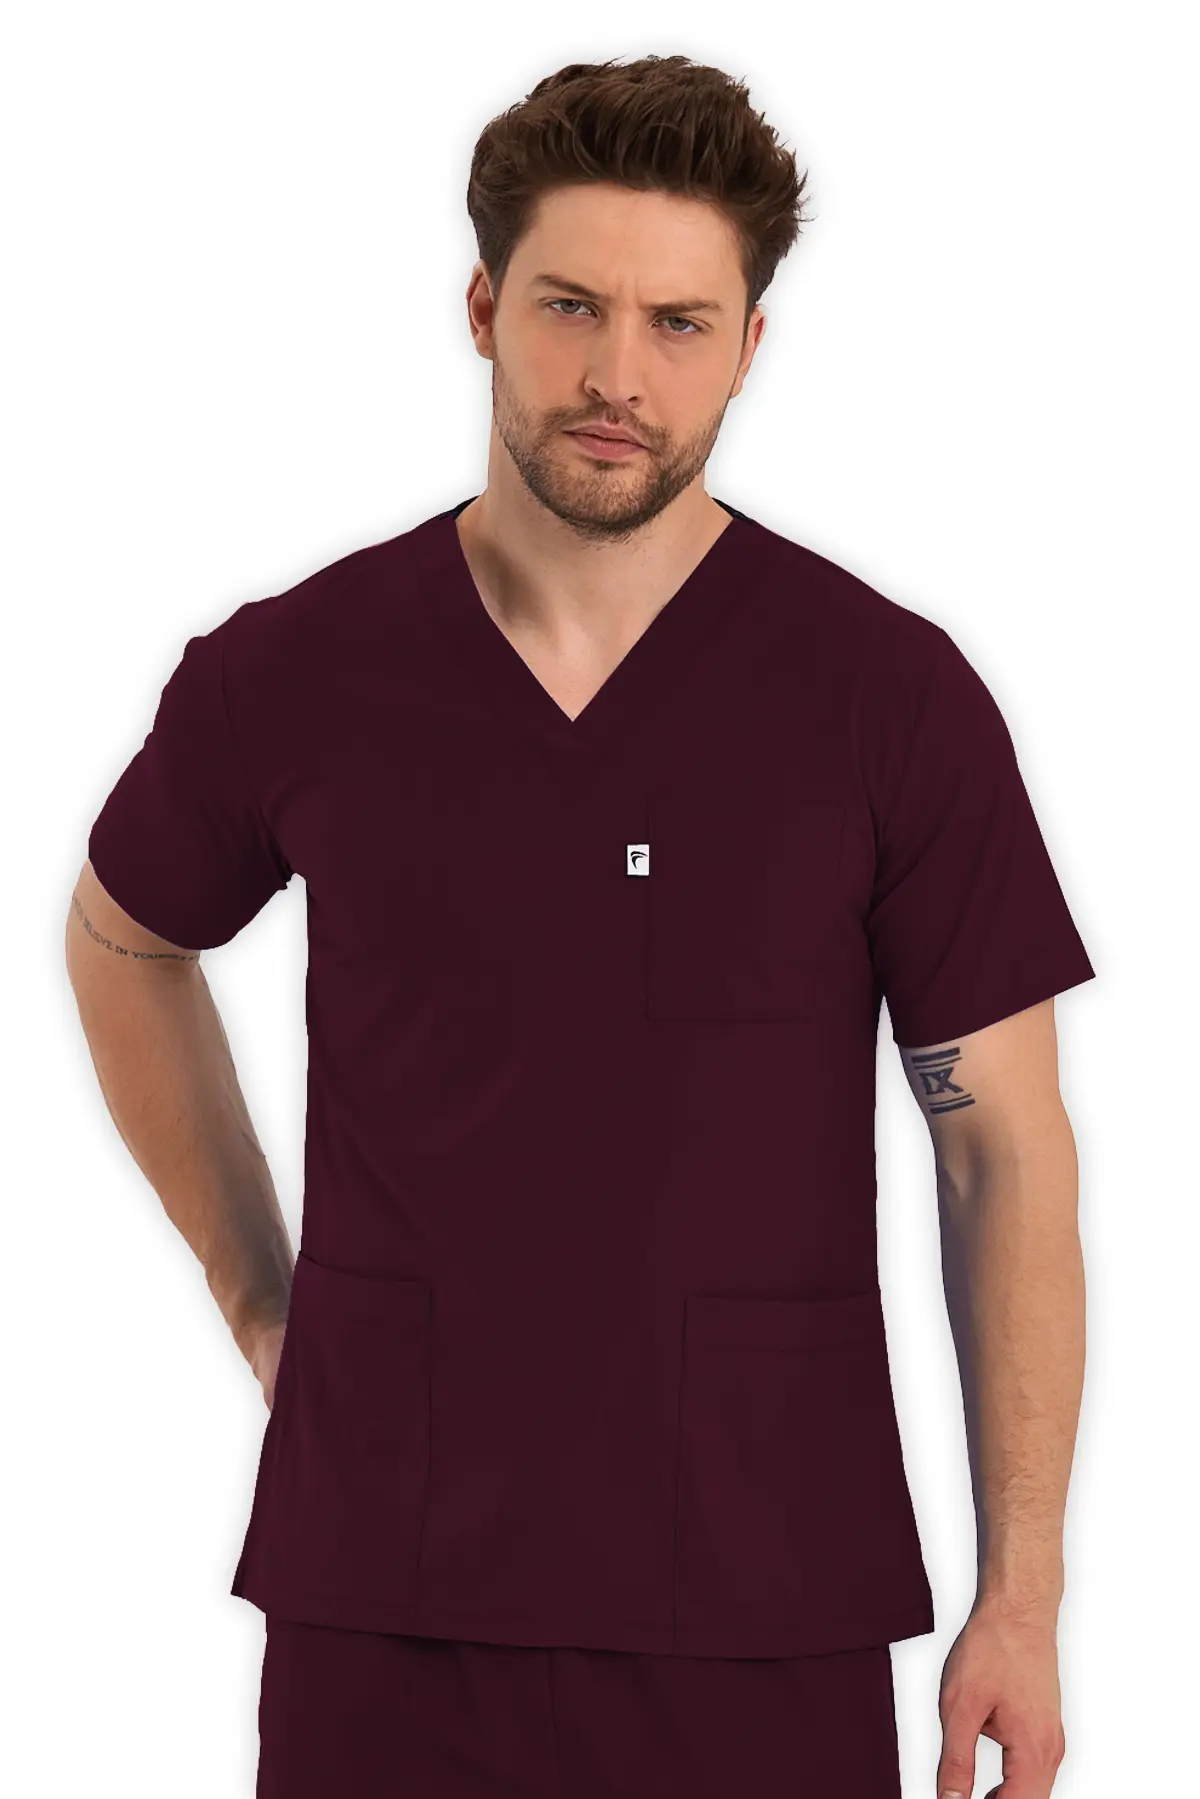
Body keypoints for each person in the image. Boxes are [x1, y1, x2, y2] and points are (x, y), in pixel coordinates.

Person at [66, 52, 1094, 1799]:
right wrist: (260, 1296)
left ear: (749, 345)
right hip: (385, 1596)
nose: (621, 375)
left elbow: (1002, 1149)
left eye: (680, 323)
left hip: (765, 1602)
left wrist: (1026, 1593)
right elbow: (123, 940)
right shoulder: (296, 674)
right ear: (482, 308)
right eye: (570, 306)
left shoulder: (885, 701)